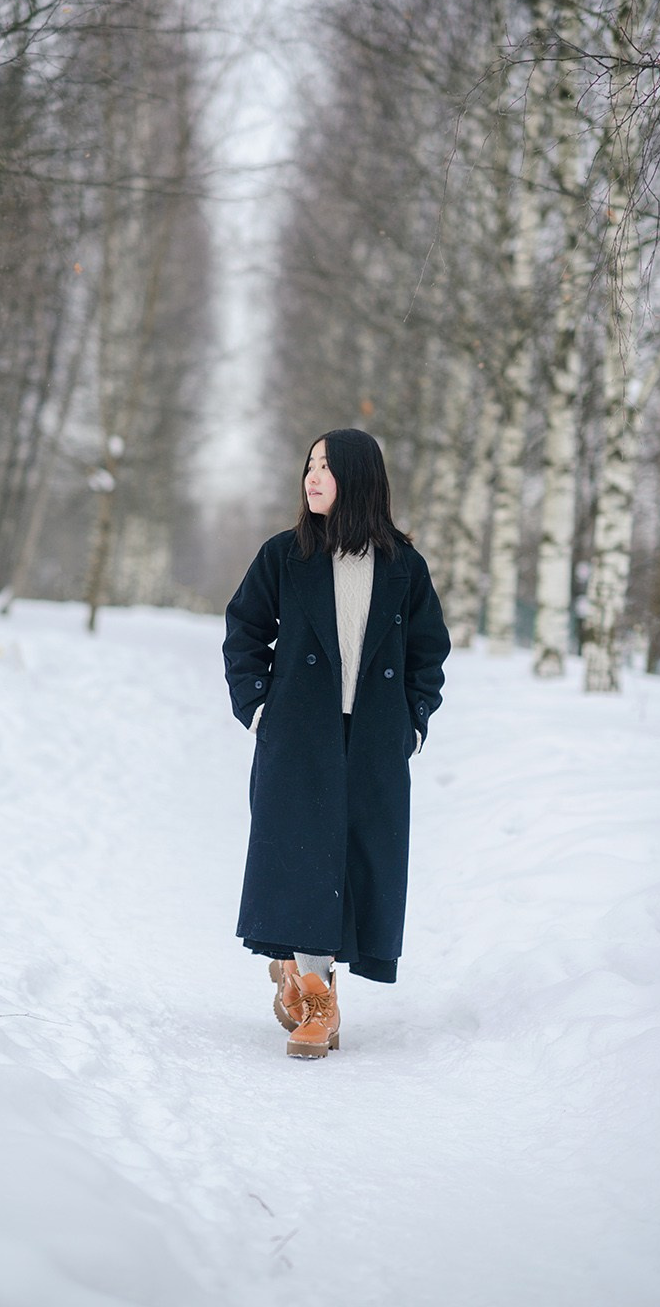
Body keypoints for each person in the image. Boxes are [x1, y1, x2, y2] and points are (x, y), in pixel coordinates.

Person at [222, 428, 451, 1059]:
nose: (313, 477)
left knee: (355, 862)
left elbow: (428, 653)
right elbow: (243, 631)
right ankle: (319, 1002)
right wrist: (260, 707)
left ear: (361, 477)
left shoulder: (404, 567)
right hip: (297, 737)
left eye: (327, 466)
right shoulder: (283, 556)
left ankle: (300, 972)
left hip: (374, 743)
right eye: (309, 465)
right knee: (303, 859)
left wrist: (413, 719)